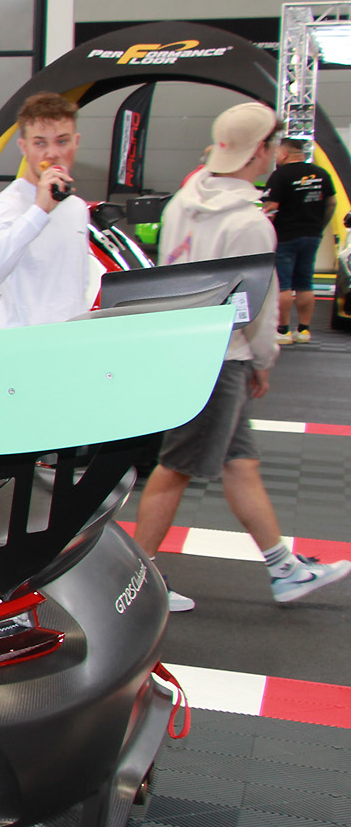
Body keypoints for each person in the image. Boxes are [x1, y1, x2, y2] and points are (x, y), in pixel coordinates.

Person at [132, 102, 350, 610]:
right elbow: (258, 307)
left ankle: (284, 568)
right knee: (175, 467)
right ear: (259, 152)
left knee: (240, 462)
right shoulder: (249, 223)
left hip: (187, 345)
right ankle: (138, 579)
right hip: (221, 356)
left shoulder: (182, 203)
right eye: (272, 144)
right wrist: (263, 360)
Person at [0, 92, 100, 330]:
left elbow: (77, 287)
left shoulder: (77, 207)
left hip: (68, 340)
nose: (52, 153)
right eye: (40, 143)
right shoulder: (10, 204)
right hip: (24, 343)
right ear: (24, 147)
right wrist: (39, 210)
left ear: (76, 142)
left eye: (62, 141)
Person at [262, 138, 337, 344]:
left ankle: (283, 330)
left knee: (283, 285)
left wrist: (265, 233)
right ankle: (303, 330)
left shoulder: (280, 175)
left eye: (278, 153)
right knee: (305, 283)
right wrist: (319, 226)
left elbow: (270, 208)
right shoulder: (322, 174)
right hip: (312, 235)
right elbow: (332, 203)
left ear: (284, 154)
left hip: (285, 236)